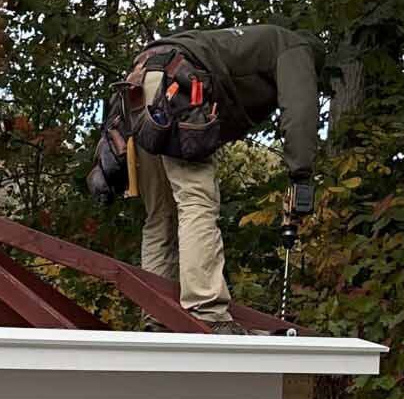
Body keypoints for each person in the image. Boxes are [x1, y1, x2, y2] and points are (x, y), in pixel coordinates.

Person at [88, 25, 323, 328]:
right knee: (195, 200)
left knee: (160, 216)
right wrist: (300, 174)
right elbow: (300, 113)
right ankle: (207, 311)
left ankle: (156, 317)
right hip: (177, 86)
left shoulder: (248, 47)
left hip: (138, 86)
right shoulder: (296, 48)